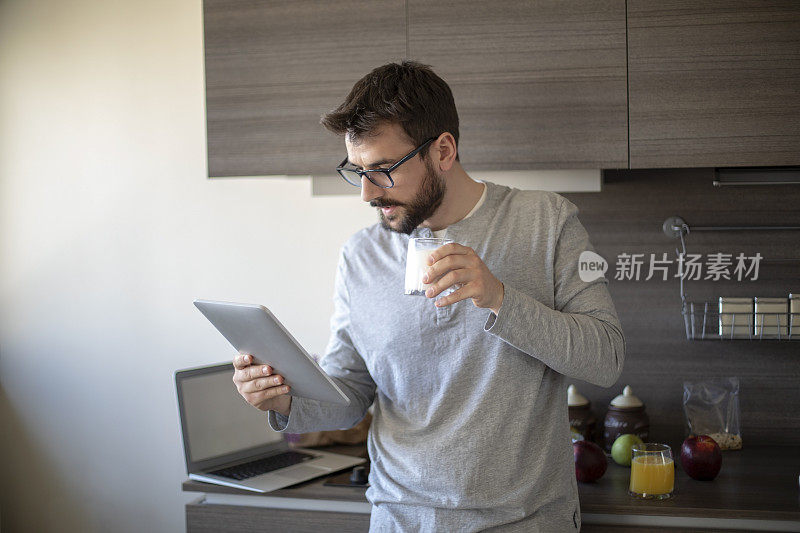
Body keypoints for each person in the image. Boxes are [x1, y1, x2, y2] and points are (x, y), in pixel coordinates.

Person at [232, 60, 625, 532]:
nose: (366, 194)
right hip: (399, 520)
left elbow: (606, 358)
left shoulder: (545, 222)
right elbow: (350, 392)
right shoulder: (362, 255)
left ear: (443, 150)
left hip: (524, 521)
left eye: (383, 169)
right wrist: (284, 401)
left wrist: (501, 298)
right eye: (356, 171)